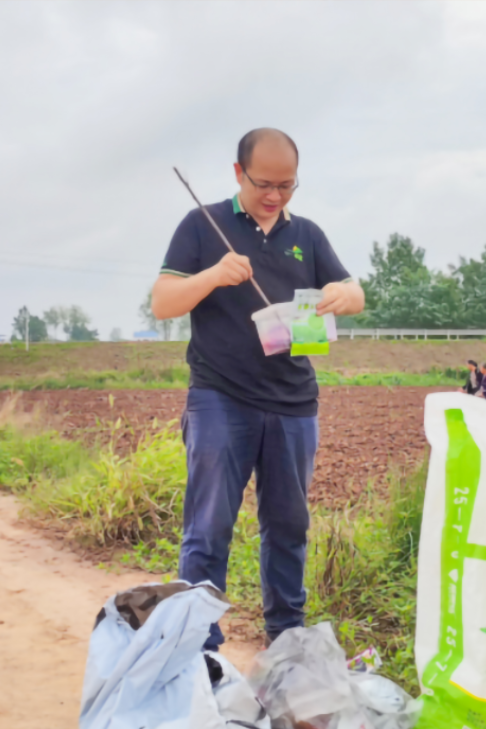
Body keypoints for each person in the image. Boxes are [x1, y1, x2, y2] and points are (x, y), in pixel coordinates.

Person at [151, 128, 365, 651]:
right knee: (209, 527)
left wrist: (341, 292)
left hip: (293, 403)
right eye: (264, 184)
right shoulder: (203, 225)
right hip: (221, 398)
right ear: (238, 173)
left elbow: (355, 293)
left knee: (289, 526)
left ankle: (287, 642)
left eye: (287, 186)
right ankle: (196, 647)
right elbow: (163, 302)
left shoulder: (307, 234)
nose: (274, 196)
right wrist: (213, 276)